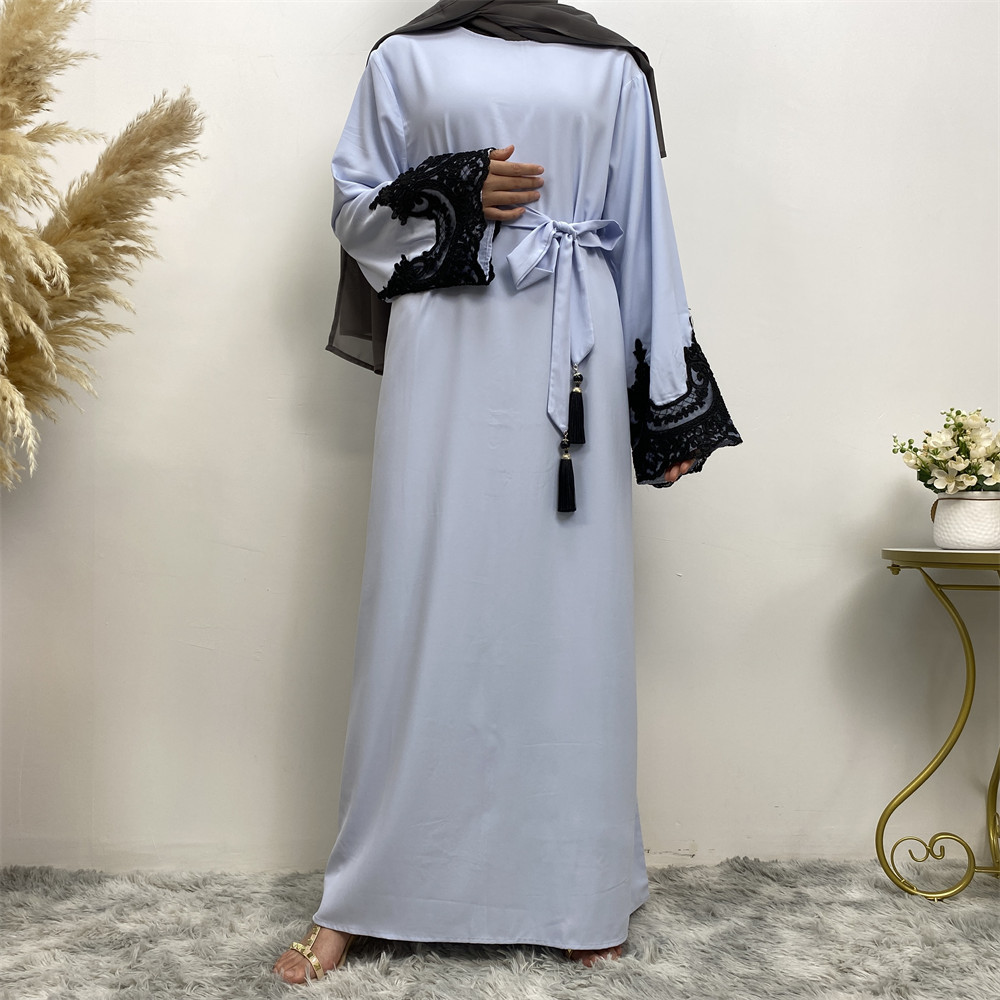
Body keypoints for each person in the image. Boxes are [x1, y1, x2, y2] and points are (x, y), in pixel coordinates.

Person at [274, 0, 740, 984]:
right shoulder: (404, 60)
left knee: (569, 622)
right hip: (446, 353)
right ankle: (369, 888)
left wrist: (664, 398)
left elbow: (645, 236)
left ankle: (576, 887)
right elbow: (354, 212)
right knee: (421, 606)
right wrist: (454, 189)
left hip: (574, 354)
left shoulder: (615, 68)